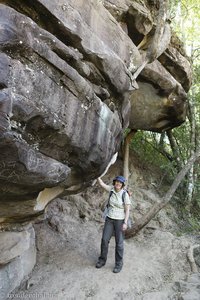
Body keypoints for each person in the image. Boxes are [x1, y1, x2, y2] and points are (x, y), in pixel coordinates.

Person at [96, 175, 131, 273]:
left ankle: (119, 264)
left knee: (119, 243)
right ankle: (102, 260)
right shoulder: (111, 190)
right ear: (114, 182)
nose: (118, 184)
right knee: (104, 239)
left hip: (120, 220)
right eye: (117, 182)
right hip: (109, 219)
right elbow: (102, 184)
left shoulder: (125, 194)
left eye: (120, 183)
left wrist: (125, 222)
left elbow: (127, 210)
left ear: (122, 184)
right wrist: (97, 175)